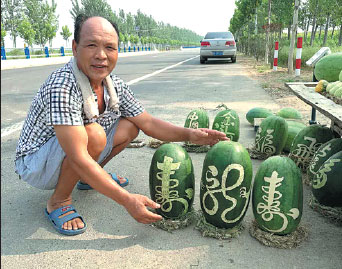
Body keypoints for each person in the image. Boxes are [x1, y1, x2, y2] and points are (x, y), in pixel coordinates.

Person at [14, 14, 229, 236]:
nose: (101, 55)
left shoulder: (114, 85)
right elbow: (77, 155)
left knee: (130, 126)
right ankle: (59, 201)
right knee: (95, 135)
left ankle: (90, 178)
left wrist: (191, 135)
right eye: (91, 45)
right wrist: (126, 200)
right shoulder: (63, 85)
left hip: (66, 154)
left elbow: (148, 123)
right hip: (36, 163)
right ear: (75, 47)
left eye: (109, 47)